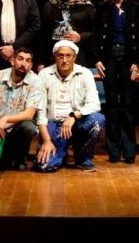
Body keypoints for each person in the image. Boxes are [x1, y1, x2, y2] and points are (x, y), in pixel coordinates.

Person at [93, 0, 139, 164]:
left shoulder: (136, 8)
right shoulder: (103, 8)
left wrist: (138, 62)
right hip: (108, 61)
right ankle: (114, 152)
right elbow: (96, 35)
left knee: (129, 106)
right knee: (112, 107)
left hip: (129, 60)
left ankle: (129, 151)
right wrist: (97, 59)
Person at [35, 40, 105, 172]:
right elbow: (40, 111)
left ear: (75, 57)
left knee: (97, 119)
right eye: (60, 56)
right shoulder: (44, 74)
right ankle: (61, 151)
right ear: (55, 57)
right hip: (54, 124)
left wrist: (73, 116)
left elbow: (94, 104)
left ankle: (83, 158)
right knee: (44, 166)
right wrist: (46, 141)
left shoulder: (85, 73)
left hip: (77, 123)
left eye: (68, 56)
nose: (64, 60)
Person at [0, 47, 41, 172]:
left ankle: (20, 157)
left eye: (28, 61)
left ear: (31, 65)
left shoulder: (36, 81)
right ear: (12, 61)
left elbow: (29, 114)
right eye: (20, 59)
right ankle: (5, 157)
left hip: (18, 128)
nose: (23, 64)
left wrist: (6, 119)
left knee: (28, 127)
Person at [39, 0, 95, 71]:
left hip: (79, 63)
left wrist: (81, 37)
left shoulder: (86, 6)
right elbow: (41, 36)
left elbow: (97, 34)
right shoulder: (49, 6)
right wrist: (40, 62)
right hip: (52, 64)